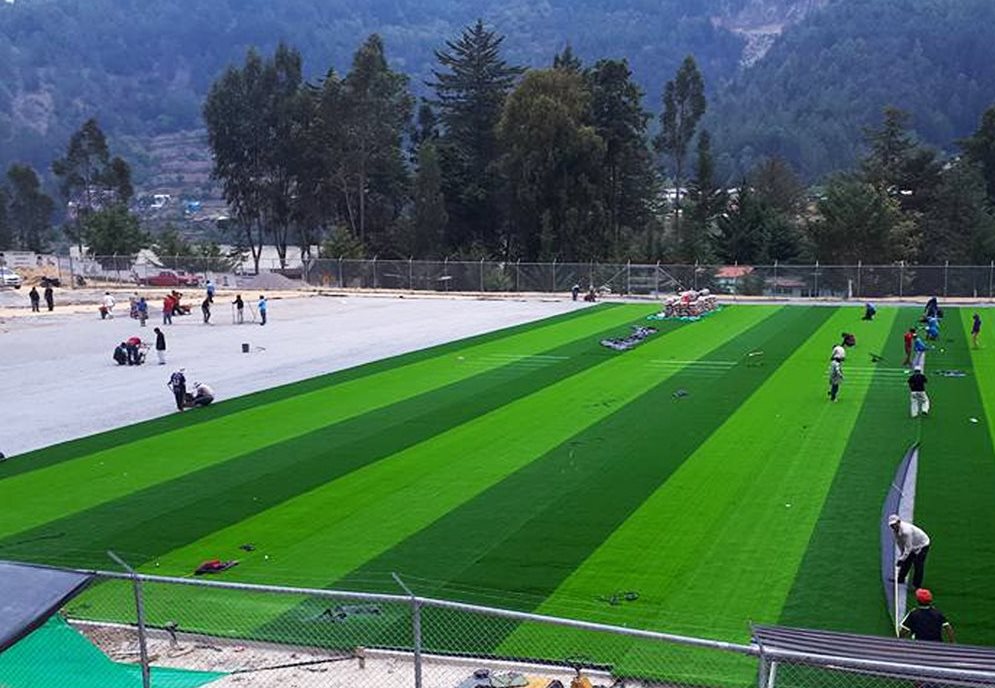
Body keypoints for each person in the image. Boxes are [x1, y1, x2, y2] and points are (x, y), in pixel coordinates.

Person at [888, 514, 931, 589]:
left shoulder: (906, 531)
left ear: (898, 522)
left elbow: (908, 547)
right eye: (891, 525)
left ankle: (917, 585)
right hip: (912, 544)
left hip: (922, 544)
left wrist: (902, 559)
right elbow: (900, 543)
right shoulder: (895, 531)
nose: (893, 527)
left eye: (894, 524)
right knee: (906, 560)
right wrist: (902, 557)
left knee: (918, 564)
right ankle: (900, 579)